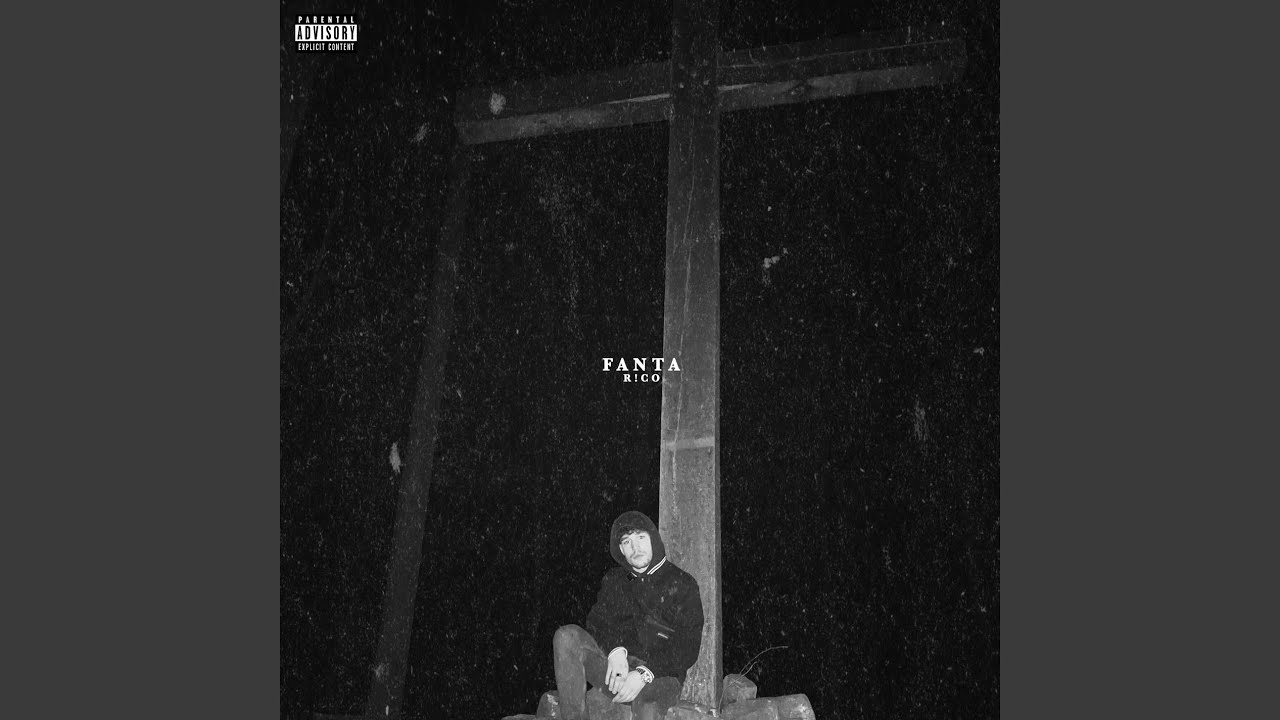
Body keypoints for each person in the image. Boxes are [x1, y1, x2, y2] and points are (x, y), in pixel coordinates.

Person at [553, 511, 704, 720]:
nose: (635, 547)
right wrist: (615, 651)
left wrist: (644, 673)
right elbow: (597, 623)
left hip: (659, 677)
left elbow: (688, 646)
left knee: (647, 705)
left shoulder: (683, 583)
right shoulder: (615, 580)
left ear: (653, 539)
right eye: (627, 542)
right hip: (616, 673)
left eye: (641, 537)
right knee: (566, 636)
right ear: (621, 550)